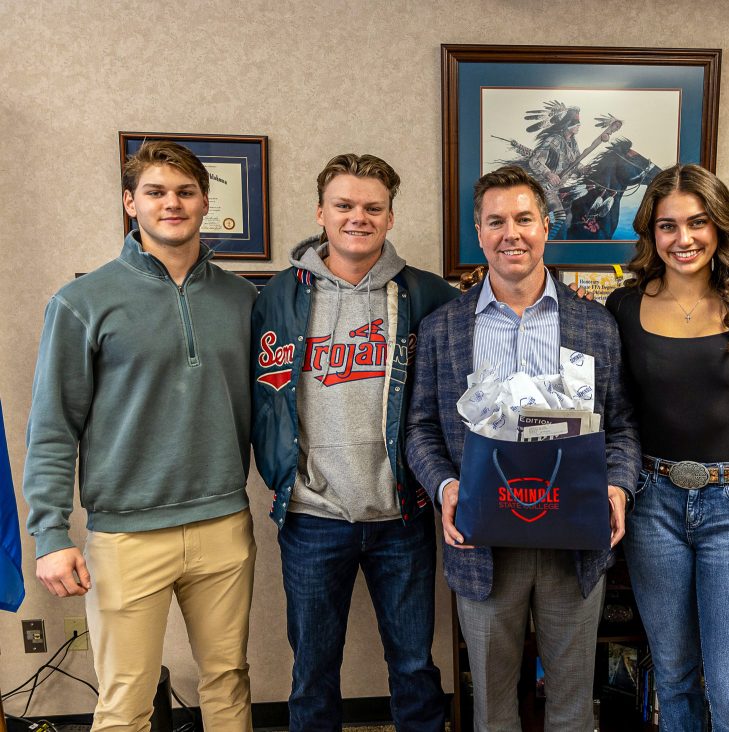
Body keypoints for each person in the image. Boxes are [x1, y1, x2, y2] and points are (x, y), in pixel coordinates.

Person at [23, 141, 257, 731]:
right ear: (131, 203)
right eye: (155, 192)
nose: (171, 203)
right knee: (126, 700)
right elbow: (52, 425)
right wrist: (49, 531)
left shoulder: (244, 300)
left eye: (185, 192)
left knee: (228, 682)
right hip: (126, 533)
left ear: (206, 202)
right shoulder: (81, 303)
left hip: (224, 523)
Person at [405, 165, 640, 732]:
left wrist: (617, 485)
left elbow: (624, 426)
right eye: (496, 222)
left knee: (571, 703)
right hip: (483, 542)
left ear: (546, 226)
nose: (511, 233)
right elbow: (419, 428)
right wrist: (445, 486)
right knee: (491, 703)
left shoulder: (594, 324)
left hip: (573, 543)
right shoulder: (443, 328)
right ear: (479, 234)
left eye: (524, 219)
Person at [250, 153, 456, 732]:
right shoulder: (275, 299)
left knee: (415, 665)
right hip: (312, 514)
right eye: (344, 205)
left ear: (391, 217)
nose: (357, 217)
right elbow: (259, 398)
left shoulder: (429, 297)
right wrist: (277, 473)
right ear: (321, 212)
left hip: (402, 514)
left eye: (372, 207)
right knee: (312, 670)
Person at [605, 164, 729, 731]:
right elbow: (613, 415)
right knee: (673, 678)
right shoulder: (621, 308)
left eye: (697, 223)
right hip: (653, 504)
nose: (684, 238)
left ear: (719, 227)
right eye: (667, 226)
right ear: (651, 232)